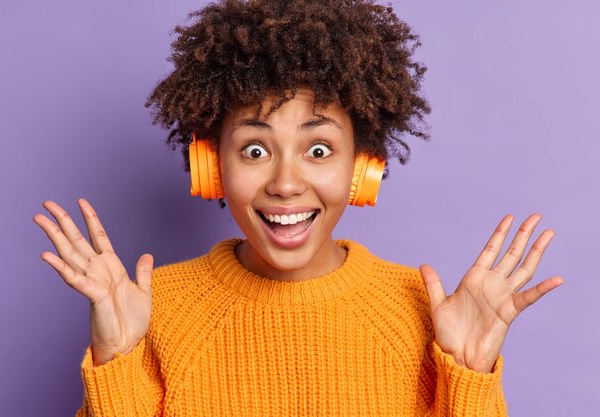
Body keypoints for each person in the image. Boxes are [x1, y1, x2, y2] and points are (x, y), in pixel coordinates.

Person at [33, 0, 564, 415]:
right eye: (255, 150)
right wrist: (116, 364)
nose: (286, 184)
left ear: (363, 167)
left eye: (318, 150)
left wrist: (469, 376)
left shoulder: (424, 314)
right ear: (211, 166)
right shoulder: (150, 309)